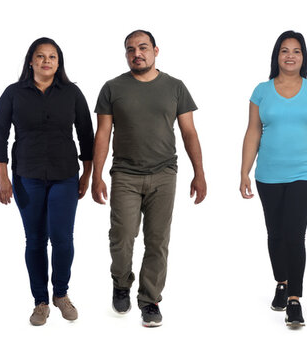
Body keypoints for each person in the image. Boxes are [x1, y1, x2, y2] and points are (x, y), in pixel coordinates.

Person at [92, 30, 206, 328]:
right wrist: (96, 176)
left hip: (164, 174)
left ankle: (150, 300)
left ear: (155, 50)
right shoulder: (112, 88)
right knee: (122, 236)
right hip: (125, 174)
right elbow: (103, 133)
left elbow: (189, 132)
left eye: (143, 47)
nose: (136, 53)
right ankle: (120, 283)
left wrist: (200, 173)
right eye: (130, 49)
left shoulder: (175, 87)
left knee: (158, 241)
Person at [0, 37, 94, 326]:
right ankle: (41, 301)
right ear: (31, 61)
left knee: (62, 239)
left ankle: (61, 294)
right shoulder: (13, 93)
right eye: (40, 56)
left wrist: (87, 173)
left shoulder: (72, 93)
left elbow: (87, 135)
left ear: (59, 63)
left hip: (65, 176)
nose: (46, 61)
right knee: (35, 240)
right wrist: (2, 176)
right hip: (27, 176)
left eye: (52, 56)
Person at [239, 30, 307, 329]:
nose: (290, 55)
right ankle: (282, 281)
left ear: (303, 57)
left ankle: (294, 300)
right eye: (284, 50)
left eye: (296, 51)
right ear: (277, 56)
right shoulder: (261, 91)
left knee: (294, 234)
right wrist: (244, 171)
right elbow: (253, 131)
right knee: (275, 234)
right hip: (268, 174)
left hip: (303, 173)